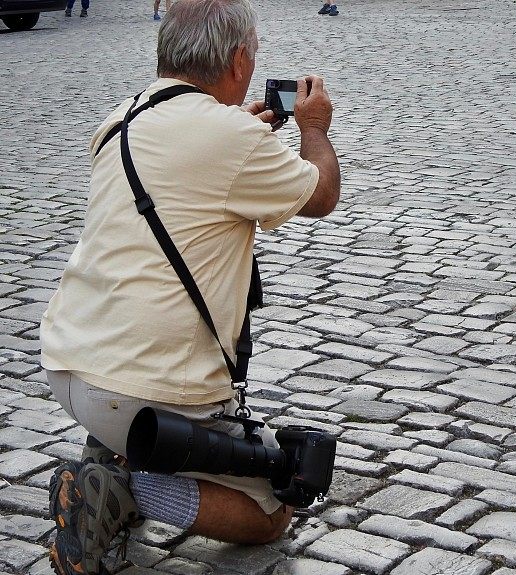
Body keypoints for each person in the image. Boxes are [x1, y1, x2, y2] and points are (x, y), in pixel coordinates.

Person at [39, 0, 340, 572]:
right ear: (237, 60)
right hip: (141, 386)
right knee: (271, 511)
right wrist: (314, 128)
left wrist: (237, 133)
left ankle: (114, 452)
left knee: (127, 415)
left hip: (69, 364)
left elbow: (188, 168)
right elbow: (322, 194)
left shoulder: (121, 119)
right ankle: (124, 488)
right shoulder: (232, 138)